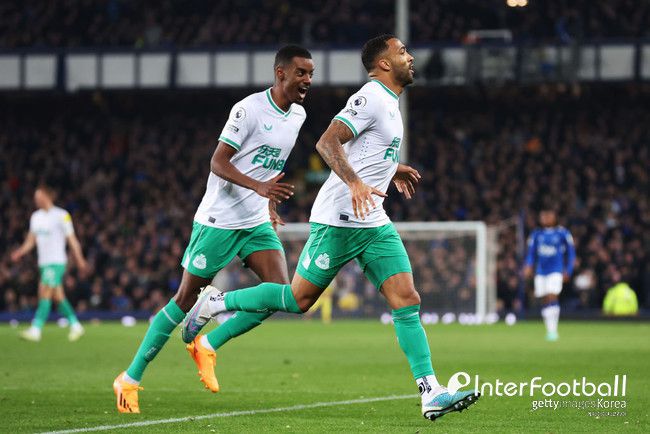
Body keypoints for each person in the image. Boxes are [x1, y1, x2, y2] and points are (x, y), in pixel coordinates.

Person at [183, 34, 479, 422]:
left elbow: (367, 152)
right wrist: (355, 183)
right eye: (402, 52)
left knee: (407, 299)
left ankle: (430, 392)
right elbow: (327, 143)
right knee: (297, 300)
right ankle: (218, 302)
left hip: (372, 220)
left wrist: (391, 168)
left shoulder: (390, 103)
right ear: (384, 63)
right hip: (339, 219)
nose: (410, 57)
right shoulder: (370, 98)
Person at [112, 45, 315, 414]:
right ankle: (129, 378)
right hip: (219, 220)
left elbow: (270, 167)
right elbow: (218, 162)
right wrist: (257, 187)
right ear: (281, 73)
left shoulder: (298, 115)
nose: (308, 80)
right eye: (301, 72)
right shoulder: (248, 109)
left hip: (255, 220)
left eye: (311, 74)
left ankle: (207, 344)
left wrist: (268, 204)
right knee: (184, 299)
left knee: (281, 295)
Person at [11, 185, 88, 342]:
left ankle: (36, 329)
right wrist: (20, 252)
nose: (36, 200)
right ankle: (76, 325)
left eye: (38, 196)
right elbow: (31, 240)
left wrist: (79, 259)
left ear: (48, 196)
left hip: (56, 262)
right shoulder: (35, 217)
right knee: (58, 297)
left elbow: (72, 239)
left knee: (44, 290)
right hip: (44, 263)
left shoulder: (62, 215)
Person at [524, 208, 576, 341]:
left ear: (554, 217)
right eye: (543, 215)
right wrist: (528, 265)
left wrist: (568, 270)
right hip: (540, 271)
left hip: (556, 270)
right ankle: (549, 330)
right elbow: (531, 253)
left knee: (552, 295)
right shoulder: (536, 234)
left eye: (548, 215)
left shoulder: (563, 233)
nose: (545, 218)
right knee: (544, 299)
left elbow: (571, 253)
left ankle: (553, 330)